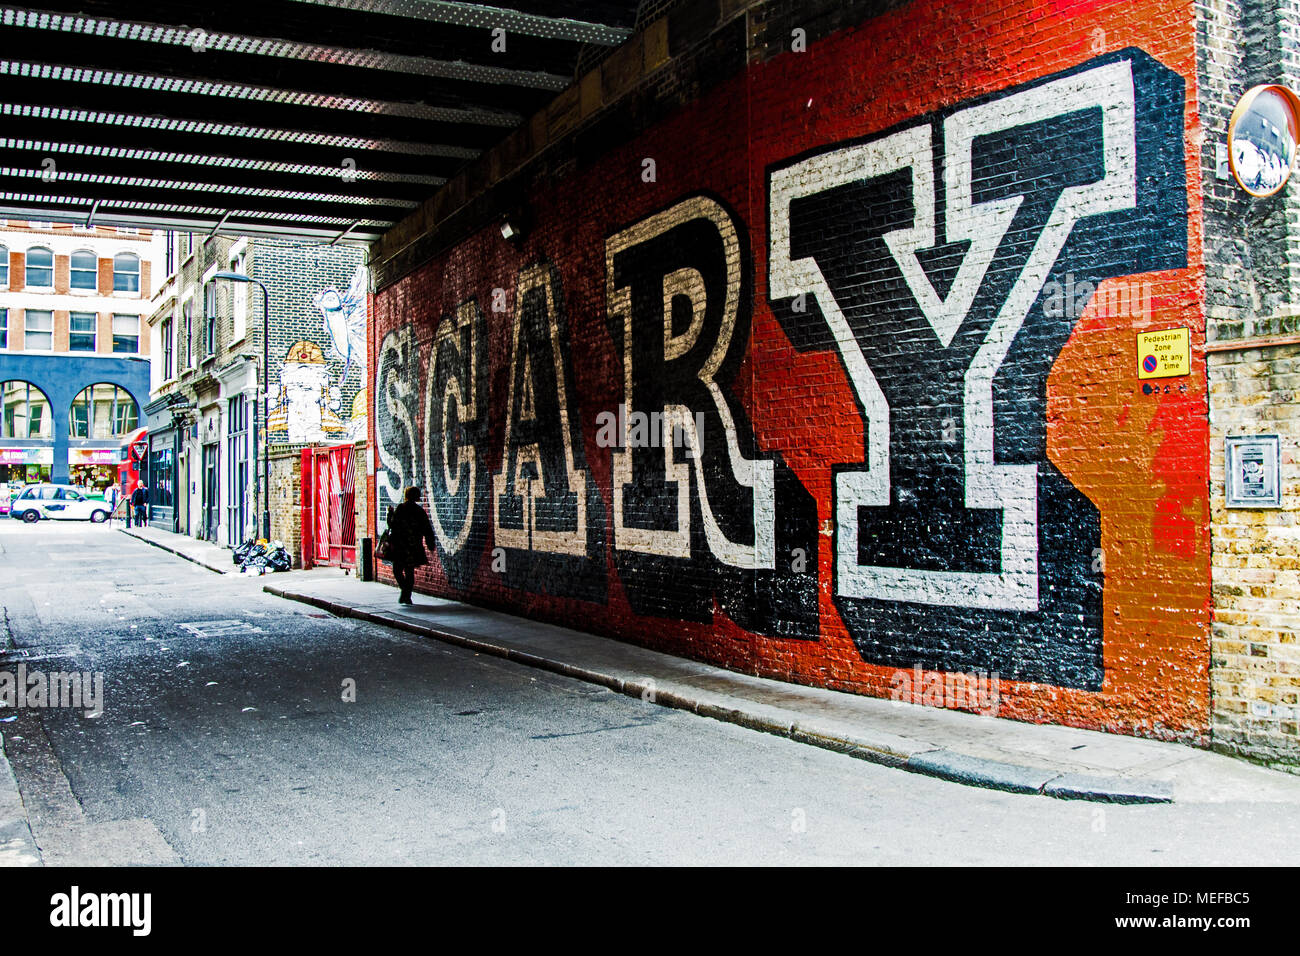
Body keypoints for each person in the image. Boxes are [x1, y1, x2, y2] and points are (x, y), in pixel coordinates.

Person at [385, 486, 436, 605]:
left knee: (397, 570)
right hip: (414, 546)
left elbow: (392, 525)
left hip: (400, 546)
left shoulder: (401, 508)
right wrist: (430, 542)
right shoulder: (419, 511)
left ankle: (405, 592)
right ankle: (406, 595)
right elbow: (427, 528)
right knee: (409, 571)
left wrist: (389, 514)